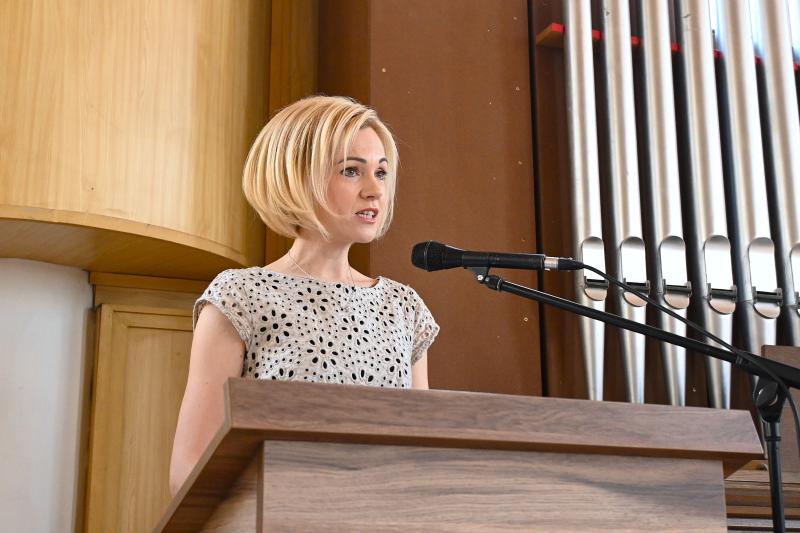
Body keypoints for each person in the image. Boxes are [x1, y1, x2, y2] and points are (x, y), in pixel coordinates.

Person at [168, 95, 439, 495]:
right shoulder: (241, 296)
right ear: (297, 176)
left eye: (381, 173)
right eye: (351, 171)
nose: (374, 191)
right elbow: (189, 467)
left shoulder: (403, 307)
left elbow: (421, 455)